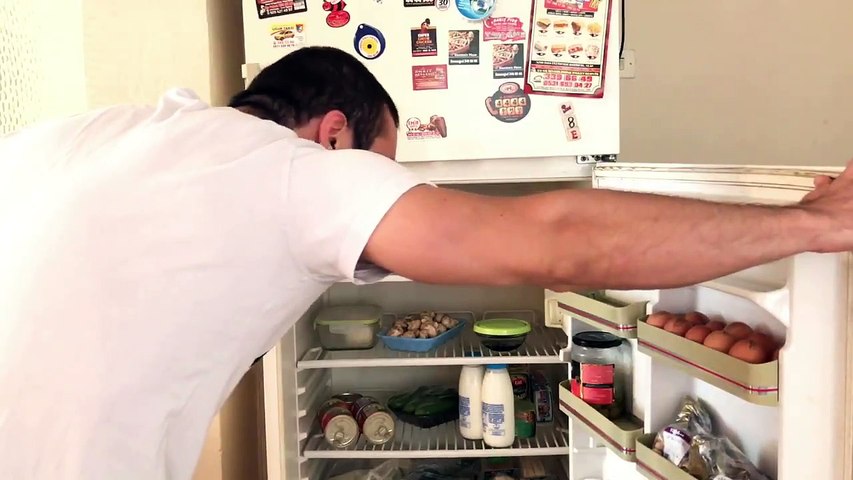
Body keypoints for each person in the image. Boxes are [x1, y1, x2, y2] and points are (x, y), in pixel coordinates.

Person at [0, 45, 848, 480]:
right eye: (384, 167)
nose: (381, 191)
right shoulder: (292, 172)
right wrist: (807, 224)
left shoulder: (80, 139)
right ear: (335, 133)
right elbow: (550, 239)